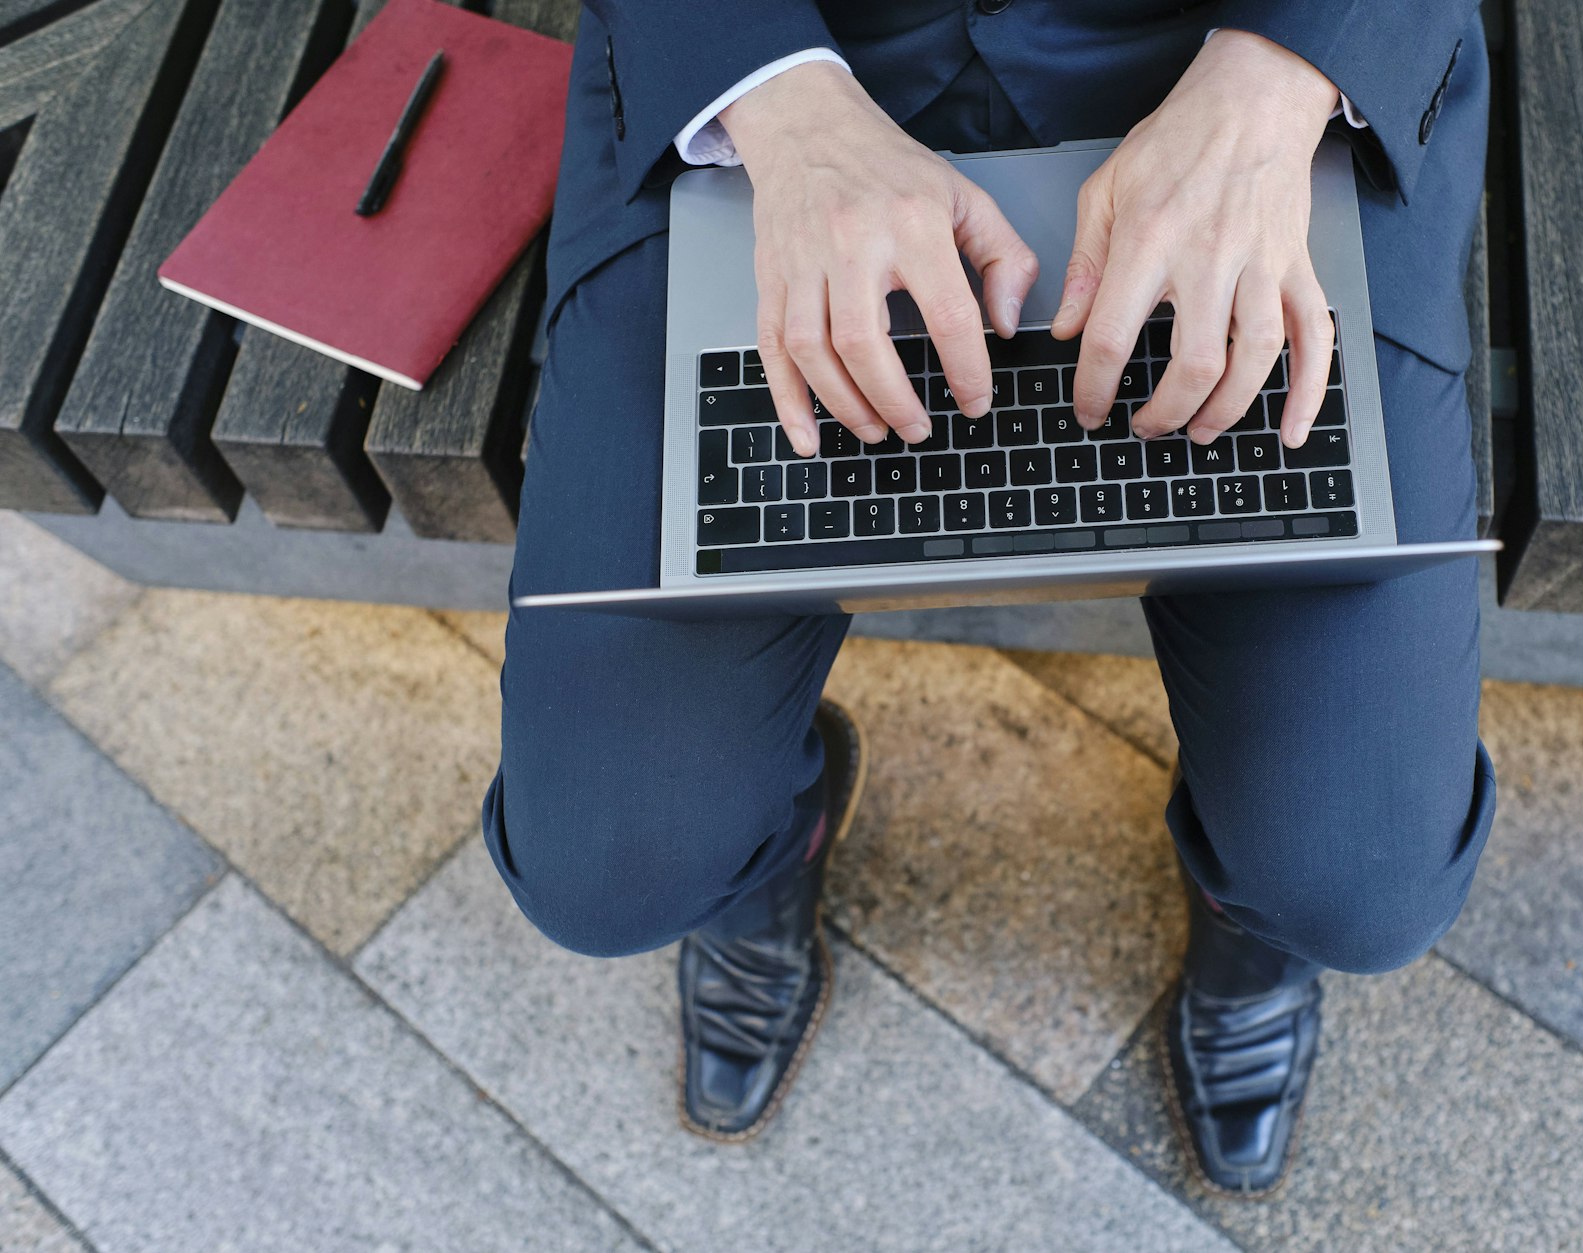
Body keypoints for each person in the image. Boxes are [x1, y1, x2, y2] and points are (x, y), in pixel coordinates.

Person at [483, 0, 1498, 1197]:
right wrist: (775, 98)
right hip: (771, 80)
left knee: (1351, 876)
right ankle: (769, 835)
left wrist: (1278, 81)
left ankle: (1252, 908)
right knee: (610, 864)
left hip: (1247, 67)